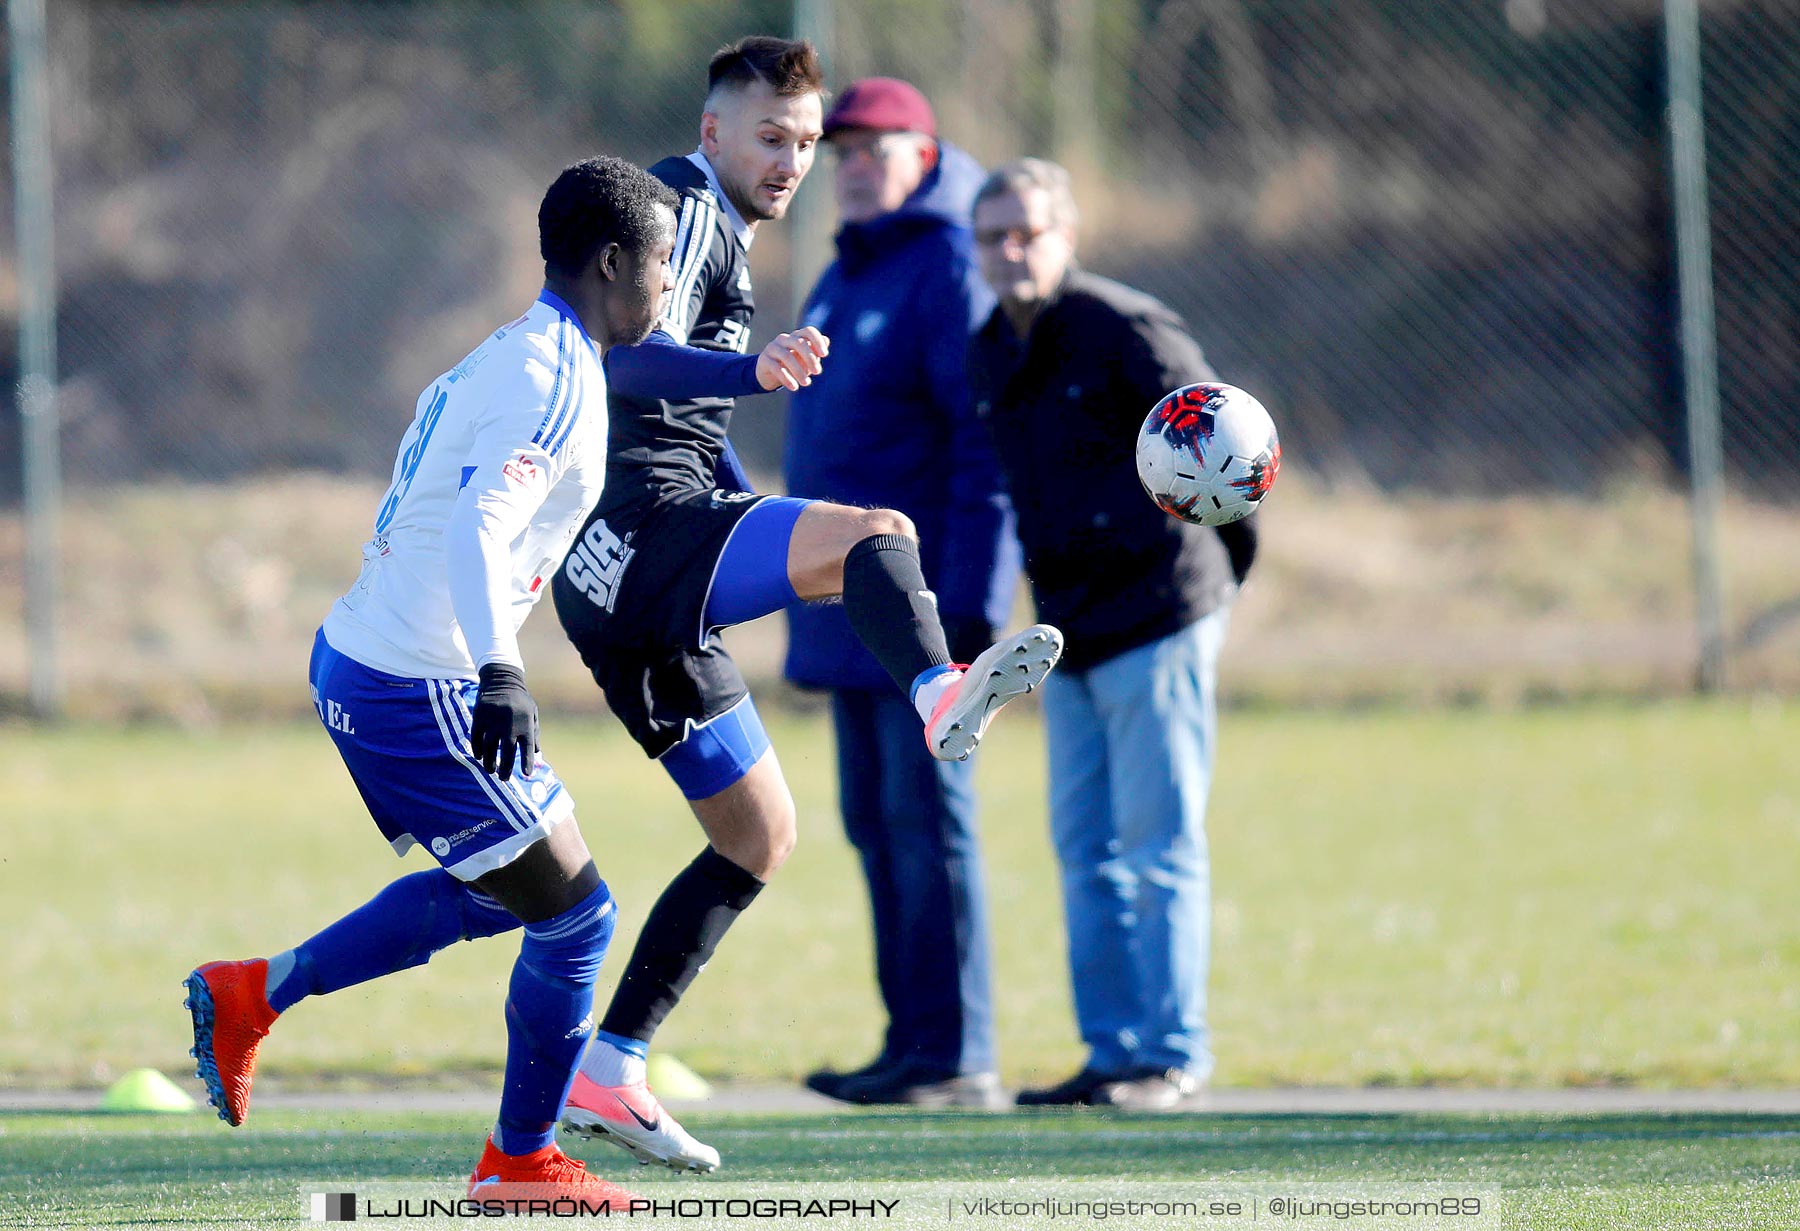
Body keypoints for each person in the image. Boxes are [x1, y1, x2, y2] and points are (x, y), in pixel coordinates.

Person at [552, 42, 1061, 1169]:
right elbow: (614, 363)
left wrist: (764, 506)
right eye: (769, 137)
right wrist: (753, 375)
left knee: (759, 834)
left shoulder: (729, 231)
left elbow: (687, 426)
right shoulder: (678, 208)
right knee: (881, 534)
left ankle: (611, 1064)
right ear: (715, 130)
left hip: (628, 576)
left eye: (806, 143)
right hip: (639, 538)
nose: (790, 161)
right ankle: (939, 694)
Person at [182, 156, 681, 1204]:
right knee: (576, 919)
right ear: (611, 261)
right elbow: (481, 522)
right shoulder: (549, 380)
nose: (669, 284)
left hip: (372, 660)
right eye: (663, 262)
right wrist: (501, 668)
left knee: (499, 894)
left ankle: (253, 994)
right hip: (423, 682)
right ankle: (520, 1162)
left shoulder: (524, 352)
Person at [966, 158, 1258, 1112]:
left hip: (1160, 615)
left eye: (1029, 232)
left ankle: (1171, 1055)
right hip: (1072, 631)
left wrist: (1217, 584)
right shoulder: (990, 350)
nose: (1011, 250)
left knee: (1159, 841)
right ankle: (1113, 1054)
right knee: (1084, 846)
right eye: (993, 234)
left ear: (1067, 237)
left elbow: (1229, 451)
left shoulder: (1125, 328)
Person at [782, 78, 1018, 1109]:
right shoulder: (848, 267)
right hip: (850, 616)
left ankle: (959, 1052)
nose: (858, 163)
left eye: (881, 147)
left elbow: (982, 449)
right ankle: (909, 1045)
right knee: (876, 823)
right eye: (845, 152)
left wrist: (963, 615)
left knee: (929, 827)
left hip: (923, 618)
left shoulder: (945, 261)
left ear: (927, 153)